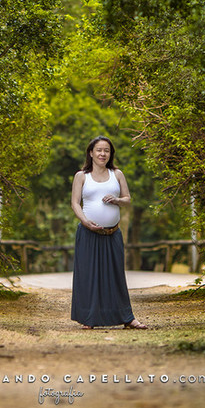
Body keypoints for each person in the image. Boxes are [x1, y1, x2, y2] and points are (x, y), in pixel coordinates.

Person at [70, 135, 148, 329]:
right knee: (89, 276)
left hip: (112, 234)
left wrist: (117, 200)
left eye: (106, 150)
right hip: (88, 234)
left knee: (116, 277)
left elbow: (127, 199)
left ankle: (127, 318)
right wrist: (85, 222)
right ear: (91, 153)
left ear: (111, 154)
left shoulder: (117, 174)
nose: (102, 154)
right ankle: (89, 319)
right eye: (99, 150)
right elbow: (75, 203)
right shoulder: (82, 176)